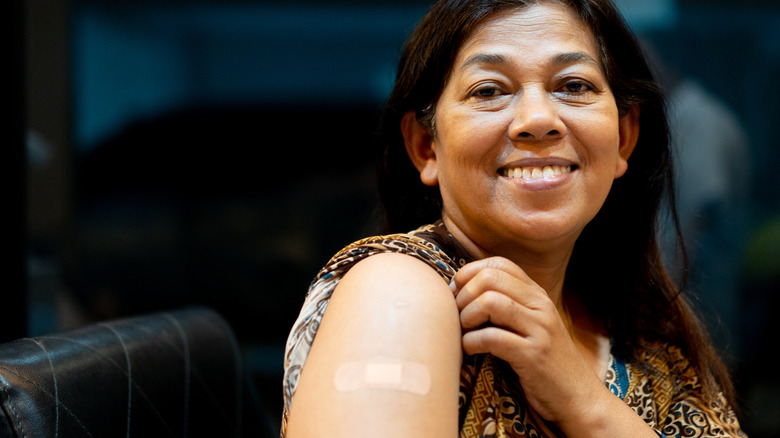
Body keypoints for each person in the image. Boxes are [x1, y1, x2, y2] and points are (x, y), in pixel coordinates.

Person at [281, 0, 747, 437]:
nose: (538, 119)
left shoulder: (653, 341)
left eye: (573, 86)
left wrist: (587, 404)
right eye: (489, 90)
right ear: (426, 147)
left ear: (624, 138)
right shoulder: (398, 294)